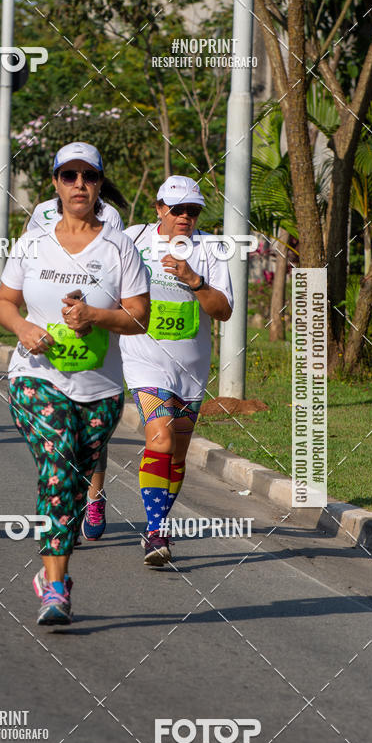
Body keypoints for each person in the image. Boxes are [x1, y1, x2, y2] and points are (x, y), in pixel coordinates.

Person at [0, 141, 150, 625]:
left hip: (100, 388)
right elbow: (3, 303)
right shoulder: (33, 242)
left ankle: (52, 574)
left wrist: (95, 316)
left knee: (78, 484)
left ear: (100, 183)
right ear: (56, 184)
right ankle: (56, 586)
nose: (79, 184)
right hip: (35, 377)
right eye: (69, 176)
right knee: (59, 473)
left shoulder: (118, 245)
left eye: (88, 176)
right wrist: (24, 330)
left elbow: (140, 317)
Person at [120, 175, 233, 565]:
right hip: (143, 357)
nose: (185, 216)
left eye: (193, 210)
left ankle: (159, 523)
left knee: (178, 453)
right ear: (159, 209)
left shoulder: (211, 249)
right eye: (177, 208)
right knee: (161, 438)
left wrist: (194, 280)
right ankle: (155, 532)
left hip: (191, 364)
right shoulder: (134, 239)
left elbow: (224, 310)